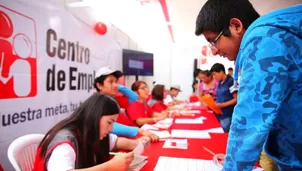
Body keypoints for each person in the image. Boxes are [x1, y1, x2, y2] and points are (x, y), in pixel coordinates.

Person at [195, 0, 302, 170]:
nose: (214, 51)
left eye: (213, 41)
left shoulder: (262, 39)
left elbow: (251, 116)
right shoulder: (271, 34)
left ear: (235, 26)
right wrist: (233, 159)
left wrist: (232, 166)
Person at [33, 94, 149, 171]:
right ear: (95, 116)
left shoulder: (88, 132)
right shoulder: (65, 143)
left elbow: (117, 141)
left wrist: (137, 143)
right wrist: (109, 167)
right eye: (109, 122)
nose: (110, 129)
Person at [94, 66, 158, 141]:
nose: (115, 85)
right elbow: (107, 125)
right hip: (115, 142)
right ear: (99, 85)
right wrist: (138, 130)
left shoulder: (113, 99)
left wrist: (117, 86)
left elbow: (135, 97)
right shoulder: (96, 102)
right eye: (111, 81)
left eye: (116, 81)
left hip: (126, 138)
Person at [210, 63, 237, 133]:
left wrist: (222, 105)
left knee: (225, 134)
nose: (214, 77)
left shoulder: (231, 81)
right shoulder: (219, 82)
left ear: (221, 72)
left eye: (215, 74)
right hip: (219, 113)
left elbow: (237, 99)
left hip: (228, 114)